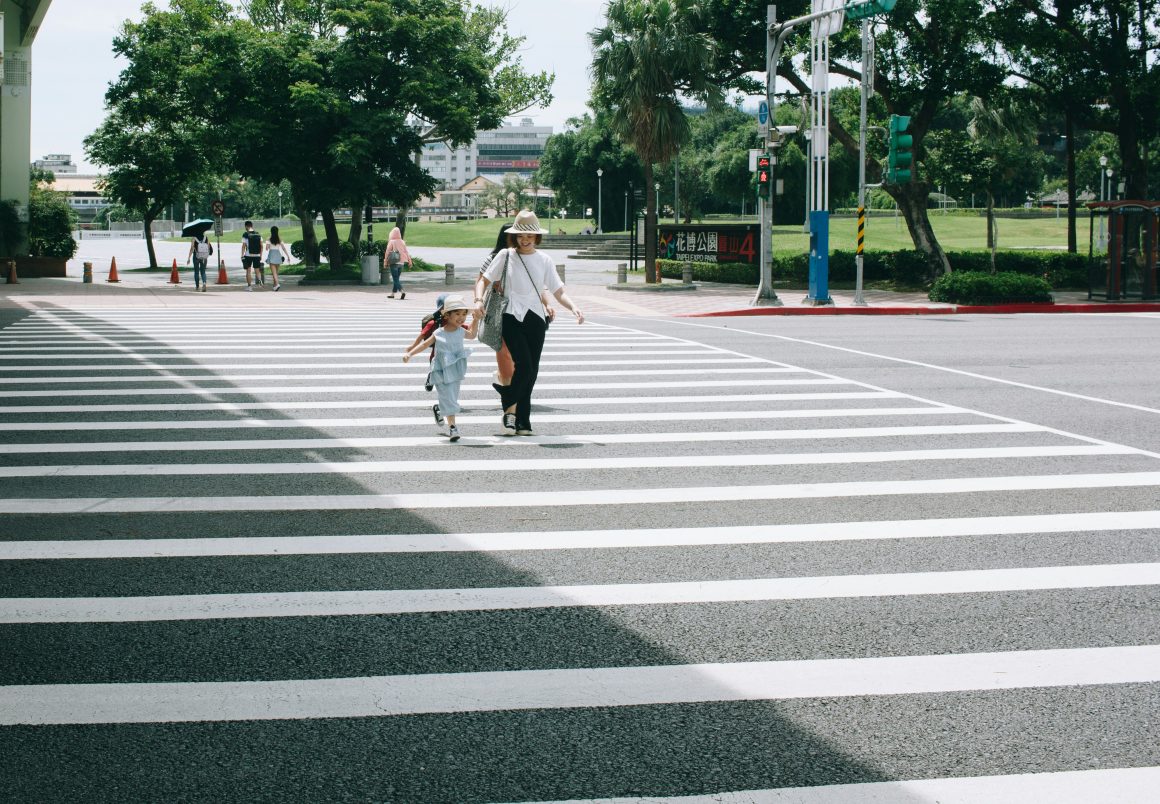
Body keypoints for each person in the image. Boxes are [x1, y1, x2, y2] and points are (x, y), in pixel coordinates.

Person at [473, 210, 583, 436]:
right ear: (514, 236)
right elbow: (483, 281)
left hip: (535, 319)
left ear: (536, 237)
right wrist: (477, 300)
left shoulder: (544, 260)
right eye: (521, 236)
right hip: (511, 316)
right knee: (524, 365)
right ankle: (510, 407)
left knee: (532, 370)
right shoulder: (505, 255)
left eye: (530, 236)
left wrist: (573, 306)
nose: (525, 240)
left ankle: (522, 420)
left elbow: (557, 290)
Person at [403, 294, 477, 442]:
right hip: (441, 369)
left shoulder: (461, 331)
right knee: (448, 397)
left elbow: (473, 335)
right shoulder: (439, 332)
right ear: (447, 315)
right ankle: (453, 427)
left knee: (451, 396)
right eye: (457, 314)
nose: (461, 318)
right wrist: (410, 353)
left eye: (464, 314)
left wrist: (477, 319)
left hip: (455, 368)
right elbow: (424, 344)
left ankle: (439, 408)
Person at [479, 224, 516, 395]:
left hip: (519, 308)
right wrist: (479, 300)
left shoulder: (524, 257)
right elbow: (480, 281)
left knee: (516, 351)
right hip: (498, 307)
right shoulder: (494, 256)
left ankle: (505, 378)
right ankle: (508, 384)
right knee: (502, 347)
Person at [383, 226, 412, 299]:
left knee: (395, 279)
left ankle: (402, 291)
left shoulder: (392, 241)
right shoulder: (402, 242)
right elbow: (406, 252)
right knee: (397, 279)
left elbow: (387, 252)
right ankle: (392, 294)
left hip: (394, 262)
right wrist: (409, 261)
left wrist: (385, 262)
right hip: (401, 263)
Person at [240, 221, 264, 290]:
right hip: (257, 255)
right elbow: (261, 246)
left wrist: (242, 255)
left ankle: (249, 287)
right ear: (252, 226)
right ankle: (260, 280)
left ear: (246, 226)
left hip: (248, 255)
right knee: (257, 270)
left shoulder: (245, 234)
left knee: (248, 271)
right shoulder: (258, 234)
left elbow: (243, 246)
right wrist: (260, 255)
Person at [263, 226, 288, 291]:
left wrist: (267, 244)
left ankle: (277, 284)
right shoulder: (279, 239)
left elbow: (267, 249)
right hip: (278, 255)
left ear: (271, 231)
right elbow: (283, 248)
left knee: (274, 273)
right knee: (276, 273)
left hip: (272, 255)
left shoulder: (269, 239)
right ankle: (274, 286)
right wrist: (288, 256)